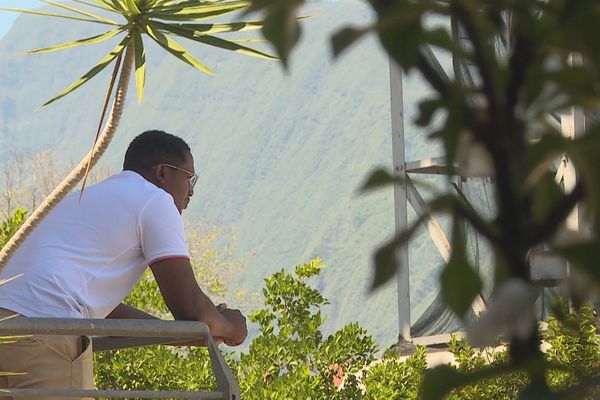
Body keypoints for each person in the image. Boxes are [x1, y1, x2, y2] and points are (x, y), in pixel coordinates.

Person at [0, 130, 247, 398]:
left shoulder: (85, 198)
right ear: (162, 173)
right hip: (44, 334)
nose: (190, 193)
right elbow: (190, 309)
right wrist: (232, 326)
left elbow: (103, 308)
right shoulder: (155, 201)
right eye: (189, 179)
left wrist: (189, 334)